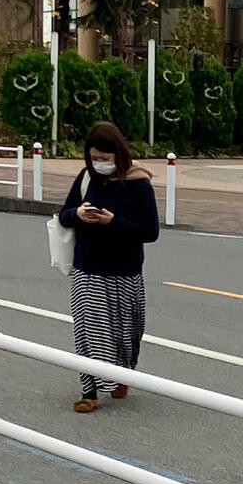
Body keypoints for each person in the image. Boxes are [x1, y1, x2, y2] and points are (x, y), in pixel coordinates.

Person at [56, 120, 160, 413]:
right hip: (87, 267)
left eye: (106, 158)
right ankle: (89, 390)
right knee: (89, 329)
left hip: (125, 269)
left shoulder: (138, 184)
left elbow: (150, 231)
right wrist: (78, 213)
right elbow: (63, 215)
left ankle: (122, 373)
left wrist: (113, 221)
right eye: (95, 158)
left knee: (126, 332)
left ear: (119, 154)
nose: (100, 163)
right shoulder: (86, 179)